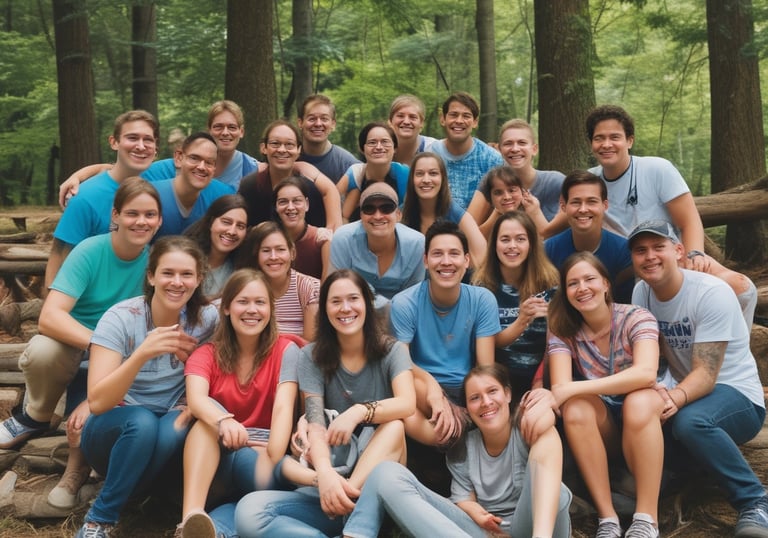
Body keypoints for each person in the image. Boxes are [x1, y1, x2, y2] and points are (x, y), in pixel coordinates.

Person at [0, 180, 163, 510]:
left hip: (124, 358)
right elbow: (49, 317)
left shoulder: (156, 262)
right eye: (132, 213)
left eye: (150, 215)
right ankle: (37, 415)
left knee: (95, 401)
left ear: (159, 220)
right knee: (43, 350)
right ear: (115, 215)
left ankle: (81, 468)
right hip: (77, 344)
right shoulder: (90, 251)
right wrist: (103, 345)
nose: (141, 221)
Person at [234, 269, 416, 537]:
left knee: (395, 427)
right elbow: (315, 421)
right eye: (335, 301)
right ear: (325, 309)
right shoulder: (312, 356)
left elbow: (407, 403)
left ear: (367, 303)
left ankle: (351, 505)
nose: (345, 308)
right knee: (249, 511)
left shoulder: (392, 351)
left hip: (374, 483)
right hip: (329, 479)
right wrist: (326, 474)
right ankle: (345, 521)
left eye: (353, 298)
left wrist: (359, 412)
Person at [628, 220, 768, 538]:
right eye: (640, 250)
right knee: (638, 415)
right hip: (686, 391)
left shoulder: (711, 293)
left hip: (736, 395)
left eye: (658, 247)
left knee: (689, 422)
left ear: (679, 251)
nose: (650, 256)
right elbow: (651, 355)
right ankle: (674, 482)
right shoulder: (641, 292)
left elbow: (706, 374)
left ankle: (754, 500)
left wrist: (672, 398)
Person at [73, 236, 218, 538]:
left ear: (198, 279)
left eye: (186, 274)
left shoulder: (207, 320)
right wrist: (141, 354)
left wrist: (195, 396)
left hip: (170, 423)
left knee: (173, 429)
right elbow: (98, 402)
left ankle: (131, 493)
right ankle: (99, 520)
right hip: (112, 428)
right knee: (141, 423)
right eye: (167, 273)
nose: (177, 282)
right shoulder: (120, 318)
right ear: (151, 276)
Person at [343, 364, 572, 538]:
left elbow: (545, 423)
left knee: (555, 473)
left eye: (492, 391)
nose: (486, 402)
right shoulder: (464, 447)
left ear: (508, 394)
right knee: (385, 473)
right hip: (486, 533)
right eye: (475, 398)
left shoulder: (525, 428)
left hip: (533, 527)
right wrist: (474, 511)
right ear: (468, 408)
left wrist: (544, 399)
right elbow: (464, 500)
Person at [177, 269, 304, 538]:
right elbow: (196, 400)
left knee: (246, 494)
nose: (252, 310)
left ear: (271, 309)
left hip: (263, 456)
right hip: (217, 457)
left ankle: (217, 529)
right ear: (226, 308)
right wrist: (223, 420)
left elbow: (284, 408)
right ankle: (190, 518)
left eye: (260, 302)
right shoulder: (206, 354)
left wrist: (272, 456)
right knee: (203, 425)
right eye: (242, 301)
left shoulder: (286, 351)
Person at [547, 251, 663, 538]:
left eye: (590, 279)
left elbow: (646, 373)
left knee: (638, 400)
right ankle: (607, 518)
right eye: (573, 283)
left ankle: (647, 519)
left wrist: (576, 387)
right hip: (606, 427)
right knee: (575, 409)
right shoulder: (562, 328)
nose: (582, 288)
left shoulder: (636, 317)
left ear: (606, 284)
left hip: (647, 420)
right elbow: (561, 390)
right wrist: (567, 391)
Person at [391, 220, 500, 448]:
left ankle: (454, 430)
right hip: (422, 389)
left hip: (466, 386)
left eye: (454, 254)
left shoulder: (482, 299)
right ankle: (452, 433)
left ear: (466, 261)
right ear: (425, 260)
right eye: (437, 254)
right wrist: (432, 388)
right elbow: (401, 361)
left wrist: (471, 399)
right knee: (405, 393)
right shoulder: (404, 303)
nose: (446, 261)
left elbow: (485, 368)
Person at [57, 101, 259, 205]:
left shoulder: (252, 168)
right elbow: (118, 172)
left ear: (241, 131)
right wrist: (77, 177)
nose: (225, 133)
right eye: (218, 126)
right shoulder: (176, 167)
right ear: (209, 129)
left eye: (232, 127)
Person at [46, 110, 159, 290]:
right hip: (91, 299)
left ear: (155, 147)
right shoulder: (84, 197)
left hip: (139, 299)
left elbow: (198, 163)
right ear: (114, 142)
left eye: (148, 140)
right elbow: (59, 256)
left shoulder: (158, 179)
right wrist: (51, 302)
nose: (141, 146)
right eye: (132, 138)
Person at [585, 105, 706, 271]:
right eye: (599, 138)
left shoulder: (657, 169)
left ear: (629, 141)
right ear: (591, 143)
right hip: (621, 267)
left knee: (736, 282)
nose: (606, 144)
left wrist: (693, 256)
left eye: (615, 137)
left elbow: (689, 221)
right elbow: (568, 215)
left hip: (668, 261)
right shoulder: (588, 181)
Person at [472, 211, 559, 396]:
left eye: (520, 239)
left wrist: (540, 382)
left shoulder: (550, 285)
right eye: (505, 239)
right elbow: (485, 343)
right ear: (494, 244)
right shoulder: (481, 288)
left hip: (541, 378)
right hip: (497, 379)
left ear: (531, 244)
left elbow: (557, 344)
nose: (512, 246)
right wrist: (522, 320)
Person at [545, 170, 634, 303]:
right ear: (563, 207)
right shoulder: (548, 251)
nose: (583, 209)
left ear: (605, 205)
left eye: (591, 201)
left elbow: (625, 304)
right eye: (576, 202)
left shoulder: (624, 252)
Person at [329, 182, 424, 306]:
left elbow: (414, 295)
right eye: (369, 209)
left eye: (386, 208)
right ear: (361, 216)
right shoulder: (343, 239)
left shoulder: (417, 244)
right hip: (352, 308)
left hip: (401, 312)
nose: (378, 216)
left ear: (398, 215)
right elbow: (337, 288)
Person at [238, 119, 342, 230]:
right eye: (275, 144)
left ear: (298, 150)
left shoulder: (310, 189)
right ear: (264, 148)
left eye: (289, 144)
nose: (282, 150)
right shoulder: (250, 186)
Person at [468, 118, 565, 225]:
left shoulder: (555, 182)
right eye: (508, 143)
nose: (515, 149)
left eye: (522, 143)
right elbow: (467, 229)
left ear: (534, 149)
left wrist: (536, 214)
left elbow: (571, 228)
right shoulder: (491, 181)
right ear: (500, 150)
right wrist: (498, 212)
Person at [400, 151, 486, 267]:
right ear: (411, 180)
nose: (426, 179)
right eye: (419, 174)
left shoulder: (458, 215)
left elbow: (481, 260)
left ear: (443, 178)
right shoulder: (401, 215)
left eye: (433, 173)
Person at [237, 221, 320, 342]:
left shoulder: (308, 287)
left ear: (292, 253)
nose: (273, 257)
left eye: (280, 249)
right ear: (256, 255)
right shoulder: (248, 287)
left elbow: (310, 344)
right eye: (266, 250)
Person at [429, 91, 503, 209]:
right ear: (443, 119)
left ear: (475, 122)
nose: (459, 121)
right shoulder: (430, 154)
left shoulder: (491, 160)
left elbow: (499, 206)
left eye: (466, 116)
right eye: (453, 115)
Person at [153, 132, 234, 237]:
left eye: (209, 162)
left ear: (214, 168)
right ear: (179, 158)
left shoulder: (221, 198)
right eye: (194, 158)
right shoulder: (152, 195)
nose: (201, 167)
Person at [336, 122, 409, 222]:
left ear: (395, 148)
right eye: (372, 142)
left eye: (385, 142)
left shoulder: (404, 173)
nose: (379, 147)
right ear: (362, 148)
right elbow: (333, 201)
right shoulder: (356, 173)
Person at [184, 194, 249, 299]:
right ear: (211, 222)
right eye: (226, 222)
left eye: (240, 226)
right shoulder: (185, 258)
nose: (232, 231)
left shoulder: (241, 271)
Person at [273, 176, 332, 280]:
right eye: (283, 202)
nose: (290, 207)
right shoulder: (267, 237)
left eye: (296, 201)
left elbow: (328, 283)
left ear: (307, 204)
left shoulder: (321, 238)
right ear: (276, 207)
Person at [296, 94, 360, 182]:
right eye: (312, 119)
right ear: (300, 123)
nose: (318, 124)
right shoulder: (287, 159)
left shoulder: (348, 165)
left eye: (324, 119)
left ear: (333, 124)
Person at [474, 165, 549, 239]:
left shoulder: (532, 208)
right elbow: (477, 239)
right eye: (498, 193)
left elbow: (547, 237)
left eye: (512, 190)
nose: (507, 197)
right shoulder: (496, 212)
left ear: (523, 191)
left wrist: (535, 212)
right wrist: (498, 213)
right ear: (490, 197)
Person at [388, 94, 438, 165]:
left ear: (421, 123)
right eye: (400, 116)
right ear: (390, 121)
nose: (406, 122)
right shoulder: (379, 148)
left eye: (412, 117)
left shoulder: (435, 149)